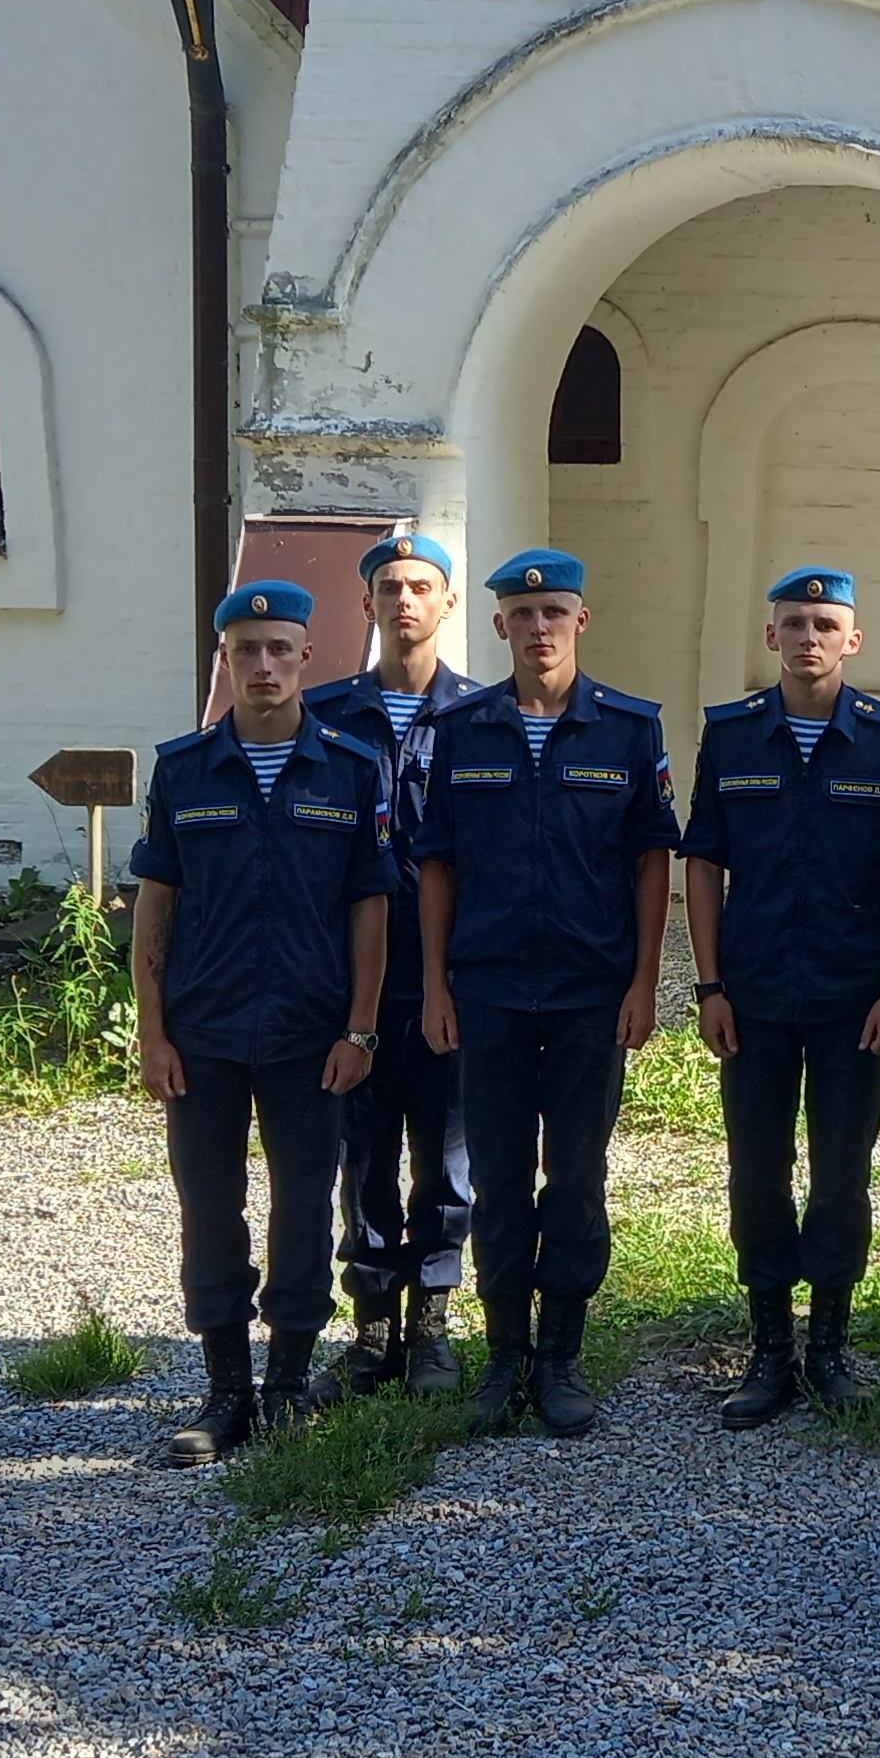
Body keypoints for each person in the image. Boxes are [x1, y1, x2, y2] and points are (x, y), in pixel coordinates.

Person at [130, 581, 394, 1465]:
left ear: (306, 656)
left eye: (280, 648)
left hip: (310, 1036)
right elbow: (156, 904)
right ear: (226, 659)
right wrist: (153, 1031)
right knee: (210, 1208)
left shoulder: (351, 768)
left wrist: (360, 1028)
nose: (265, 664)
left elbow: (369, 905)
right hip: (203, 1033)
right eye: (247, 649)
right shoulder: (184, 768)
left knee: (303, 1207)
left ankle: (286, 1385)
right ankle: (226, 1390)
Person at [416, 548, 677, 1437]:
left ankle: (560, 1354)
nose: (539, 627)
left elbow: (652, 861)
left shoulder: (630, 729)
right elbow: (438, 864)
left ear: (580, 620)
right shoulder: (462, 729)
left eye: (554, 612)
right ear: (499, 625)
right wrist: (436, 983)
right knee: (496, 1176)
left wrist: (644, 980)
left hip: (588, 991)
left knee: (575, 1176)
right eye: (522, 615)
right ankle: (503, 1355)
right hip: (488, 989)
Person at [684, 567, 880, 1428]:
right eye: (794, 623)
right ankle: (770, 1345)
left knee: (841, 1173)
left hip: (850, 998)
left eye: (826, 624)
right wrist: (709, 985)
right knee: (757, 1172)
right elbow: (703, 864)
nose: (809, 637)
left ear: (852, 640)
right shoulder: (731, 735)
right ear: (772, 637)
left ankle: (828, 1342)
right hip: (753, 996)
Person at [302, 532, 477, 1406]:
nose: (404, 599)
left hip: (451, 977)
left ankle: (432, 1321)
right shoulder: (324, 715)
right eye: (389, 586)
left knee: (446, 1158)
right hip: (353, 981)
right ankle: (373, 1327)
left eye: (421, 585)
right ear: (367, 602)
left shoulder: (483, 717)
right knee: (363, 1155)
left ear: (448, 602)